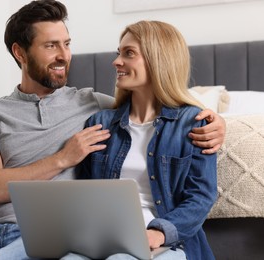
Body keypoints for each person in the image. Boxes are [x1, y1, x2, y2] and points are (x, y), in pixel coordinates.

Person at [0, 1, 223, 259]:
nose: (64, 55)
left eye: (67, 44)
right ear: (20, 52)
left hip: (53, 234)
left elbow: (159, 108)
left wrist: (218, 122)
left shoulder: (94, 106)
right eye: (51, 46)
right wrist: (63, 159)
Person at [73, 20, 217, 260]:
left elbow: (201, 196)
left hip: (168, 242)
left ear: (158, 59)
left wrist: (158, 233)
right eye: (118, 53)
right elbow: (84, 190)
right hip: (106, 238)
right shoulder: (100, 122)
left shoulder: (195, 123)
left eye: (129, 53)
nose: (116, 62)